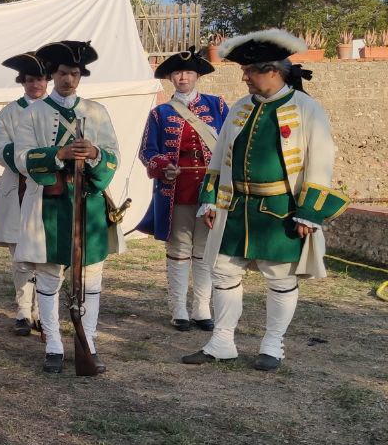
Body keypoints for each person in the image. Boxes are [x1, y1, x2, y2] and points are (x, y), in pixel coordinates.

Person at [182, 29, 347, 371]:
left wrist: (309, 214)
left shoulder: (307, 109)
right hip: (237, 207)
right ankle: (222, 342)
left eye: (250, 71)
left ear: (273, 71)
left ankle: (272, 345)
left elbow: (321, 162)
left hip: (281, 211)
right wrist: (210, 200)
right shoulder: (241, 107)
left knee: (280, 278)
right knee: (224, 272)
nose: (244, 78)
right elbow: (220, 157)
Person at [14, 41, 122, 375]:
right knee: (48, 274)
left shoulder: (97, 111)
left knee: (91, 275)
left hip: (88, 202)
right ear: (52, 74)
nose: (69, 80)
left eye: (75, 74)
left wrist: (94, 154)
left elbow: (113, 155)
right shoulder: (33, 113)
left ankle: (87, 341)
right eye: (63, 73)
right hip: (49, 203)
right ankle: (53, 345)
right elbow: (21, 157)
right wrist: (57, 155)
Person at [137, 49, 228, 331]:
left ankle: (202, 309)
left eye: (188, 72)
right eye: (177, 73)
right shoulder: (159, 113)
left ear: (197, 75)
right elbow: (147, 151)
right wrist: (164, 164)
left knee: (204, 250)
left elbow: (229, 146)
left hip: (209, 192)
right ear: (170, 78)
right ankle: (178, 309)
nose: (183, 77)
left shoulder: (218, 106)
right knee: (178, 250)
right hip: (174, 192)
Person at [0, 52, 47, 336]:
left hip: (50, 187)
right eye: (31, 79)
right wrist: (30, 162)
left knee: (46, 254)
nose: (36, 84)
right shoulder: (9, 112)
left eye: (41, 78)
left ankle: (45, 311)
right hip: (19, 185)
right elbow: (1, 148)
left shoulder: (56, 110)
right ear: (23, 82)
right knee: (20, 253)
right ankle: (24, 310)